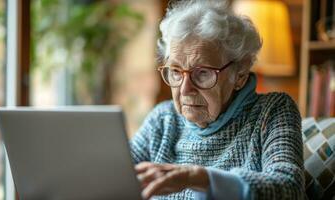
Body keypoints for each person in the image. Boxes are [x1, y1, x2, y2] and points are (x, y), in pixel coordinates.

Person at [130, 1, 304, 199]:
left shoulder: (271, 111)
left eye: (202, 73)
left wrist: (201, 179)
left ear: (240, 75)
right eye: (176, 72)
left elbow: (289, 187)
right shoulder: (163, 119)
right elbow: (114, 174)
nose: (185, 89)